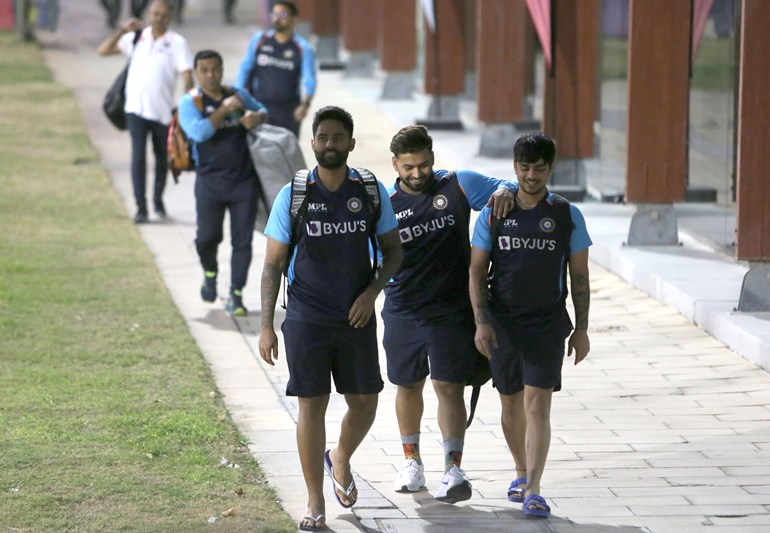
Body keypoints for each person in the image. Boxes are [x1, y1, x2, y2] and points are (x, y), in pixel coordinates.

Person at [258, 106, 402, 532]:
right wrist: (267, 325)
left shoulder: (371, 191)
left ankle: (340, 456)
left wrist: (372, 293)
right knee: (311, 407)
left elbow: (394, 250)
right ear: (313, 143)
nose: (331, 145)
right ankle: (315, 502)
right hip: (306, 318)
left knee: (365, 402)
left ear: (351, 144)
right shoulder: (295, 194)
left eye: (339, 138)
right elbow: (272, 265)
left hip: (355, 317)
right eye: (324, 138)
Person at [382, 125, 516, 503]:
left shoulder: (458, 185)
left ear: (433, 158)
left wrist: (504, 189)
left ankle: (452, 467)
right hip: (403, 310)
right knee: (407, 386)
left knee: (448, 386)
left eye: (424, 164)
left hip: (452, 311)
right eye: (408, 167)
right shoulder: (383, 201)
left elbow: (513, 185)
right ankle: (411, 462)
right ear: (395, 163)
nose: (417, 173)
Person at [468, 131, 592, 518]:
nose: (532, 176)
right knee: (510, 403)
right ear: (515, 167)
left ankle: (535, 489)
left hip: (547, 325)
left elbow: (580, 277)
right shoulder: (495, 212)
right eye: (525, 168)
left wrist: (582, 328)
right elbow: (475, 271)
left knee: (538, 404)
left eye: (540, 168)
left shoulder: (566, 215)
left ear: (551, 168)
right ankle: (520, 472)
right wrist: (481, 323)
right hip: (503, 324)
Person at [178, 50, 268, 316]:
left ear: (222, 68)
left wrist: (256, 117)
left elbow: (262, 110)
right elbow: (199, 132)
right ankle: (209, 272)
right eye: (204, 70)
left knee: (242, 241)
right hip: (209, 182)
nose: (211, 75)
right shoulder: (190, 102)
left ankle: (236, 294)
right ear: (196, 73)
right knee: (207, 238)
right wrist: (224, 110)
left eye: (215, 69)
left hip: (243, 181)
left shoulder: (237, 93)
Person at [98, 0, 193, 224]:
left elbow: (188, 76)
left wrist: (187, 107)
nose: (158, 18)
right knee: (138, 157)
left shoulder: (177, 43)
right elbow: (103, 51)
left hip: (162, 111)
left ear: (170, 17)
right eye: (155, 13)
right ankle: (141, 207)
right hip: (135, 109)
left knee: (162, 158)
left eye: (163, 15)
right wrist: (123, 29)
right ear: (149, 14)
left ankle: (157, 200)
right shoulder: (137, 38)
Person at [236, 0, 316, 138]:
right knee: (258, 150)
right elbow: (245, 68)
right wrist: (239, 95)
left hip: (288, 110)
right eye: (274, 14)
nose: (277, 18)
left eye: (283, 15)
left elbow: (309, 79)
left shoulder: (302, 48)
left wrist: (305, 105)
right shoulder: (260, 40)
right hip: (258, 106)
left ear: (294, 19)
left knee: (286, 151)